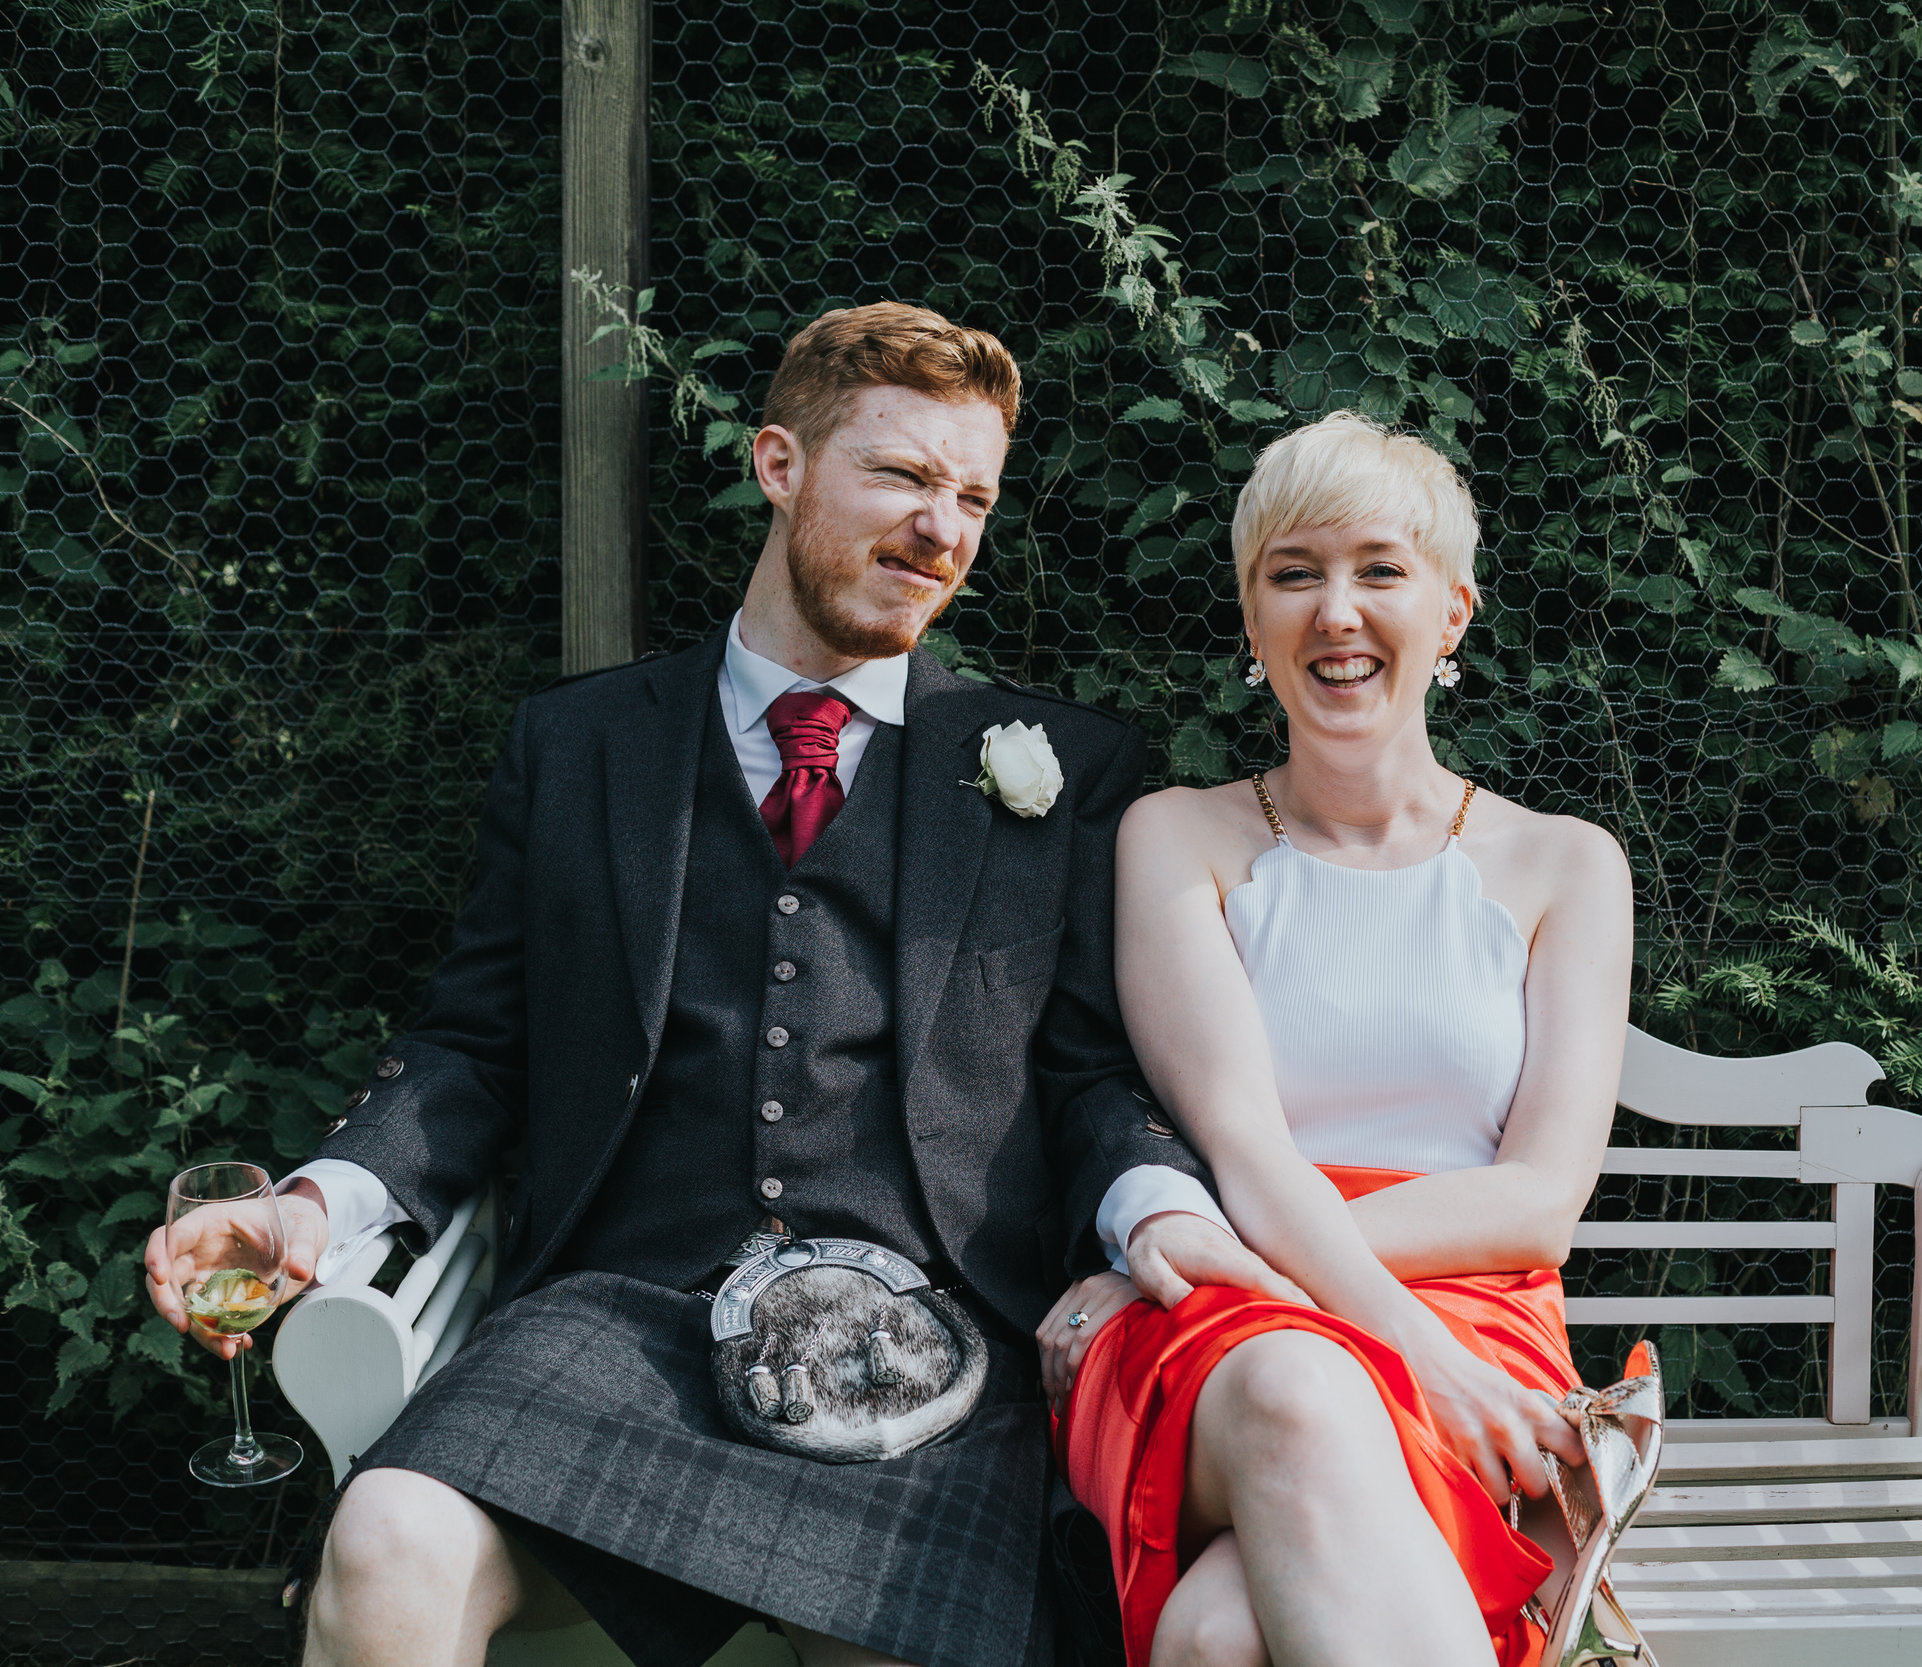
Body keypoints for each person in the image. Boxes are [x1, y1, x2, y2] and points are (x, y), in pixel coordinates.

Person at [141, 302, 1296, 1667]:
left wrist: (1153, 1213)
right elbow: (474, 1042)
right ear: (778, 463)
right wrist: (314, 1205)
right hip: (619, 1318)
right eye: (904, 477)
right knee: (388, 1538)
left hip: (927, 1343)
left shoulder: (1061, 768)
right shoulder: (575, 746)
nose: (944, 527)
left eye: (974, 495)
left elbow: (1092, 1071)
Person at [1046, 411, 1636, 1667]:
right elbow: (1245, 1148)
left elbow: (1537, 1201)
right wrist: (1388, 1344)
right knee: (1300, 1388)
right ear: (1253, 619)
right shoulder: (1176, 840)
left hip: (1470, 1312)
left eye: (1379, 568)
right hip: (1229, 1338)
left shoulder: (1566, 864)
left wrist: (1204, 1250)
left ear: (1453, 611)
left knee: (1217, 1636)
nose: (1337, 612)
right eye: (1293, 573)